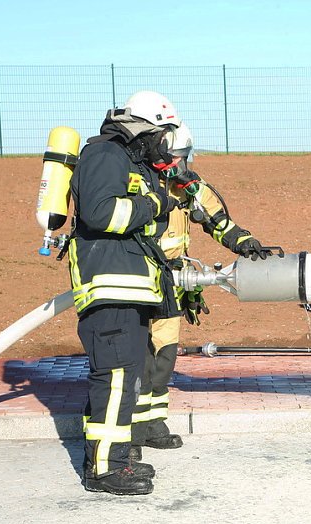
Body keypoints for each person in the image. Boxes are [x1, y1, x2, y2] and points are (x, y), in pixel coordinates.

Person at [129, 122, 269, 462]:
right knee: (133, 357)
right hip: (136, 276)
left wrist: (244, 242)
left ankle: (152, 424)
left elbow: (217, 220)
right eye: (176, 156)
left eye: (184, 157)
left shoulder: (187, 187)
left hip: (174, 280)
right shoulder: (134, 182)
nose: (180, 163)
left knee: (164, 354)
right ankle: (127, 433)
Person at [68, 90, 183, 495]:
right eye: (163, 132)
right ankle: (104, 469)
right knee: (115, 376)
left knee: (121, 376)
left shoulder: (131, 159)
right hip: (110, 290)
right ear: (146, 127)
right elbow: (101, 213)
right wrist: (153, 204)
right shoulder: (106, 155)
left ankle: (114, 456)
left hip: (129, 291)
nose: (166, 141)